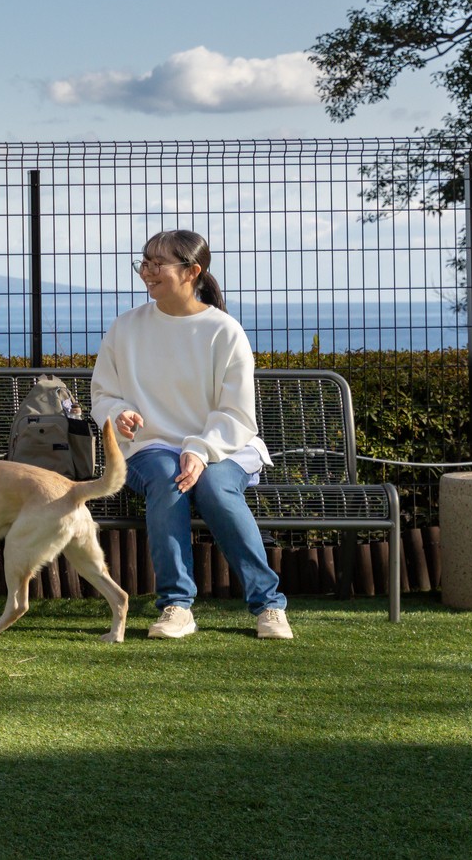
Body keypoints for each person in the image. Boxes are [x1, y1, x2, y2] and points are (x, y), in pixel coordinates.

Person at [91, 230, 293, 641]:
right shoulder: (125, 327)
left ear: (192, 271)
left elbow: (237, 414)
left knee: (217, 490)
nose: (147, 272)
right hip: (150, 447)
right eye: (143, 262)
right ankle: (177, 606)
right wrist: (119, 413)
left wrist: (200, 449)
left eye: (157, 263)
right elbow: (103, 394)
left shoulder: (224, 331)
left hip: (226, 446)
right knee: (169, 481)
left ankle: (269, 605)